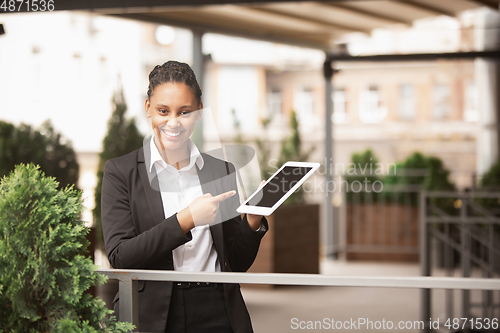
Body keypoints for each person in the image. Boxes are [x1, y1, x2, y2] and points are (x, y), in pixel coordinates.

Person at [101, 60, 268, 333]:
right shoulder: (121, 172)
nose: (173, 122)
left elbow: (236, 262)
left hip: (218, 308)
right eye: (163, 111)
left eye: (185, 112)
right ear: (148, 109)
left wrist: (251, 222)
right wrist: (186, 219)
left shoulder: (220, 170)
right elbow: (121, 256)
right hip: (153, 313)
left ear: (199, 112)